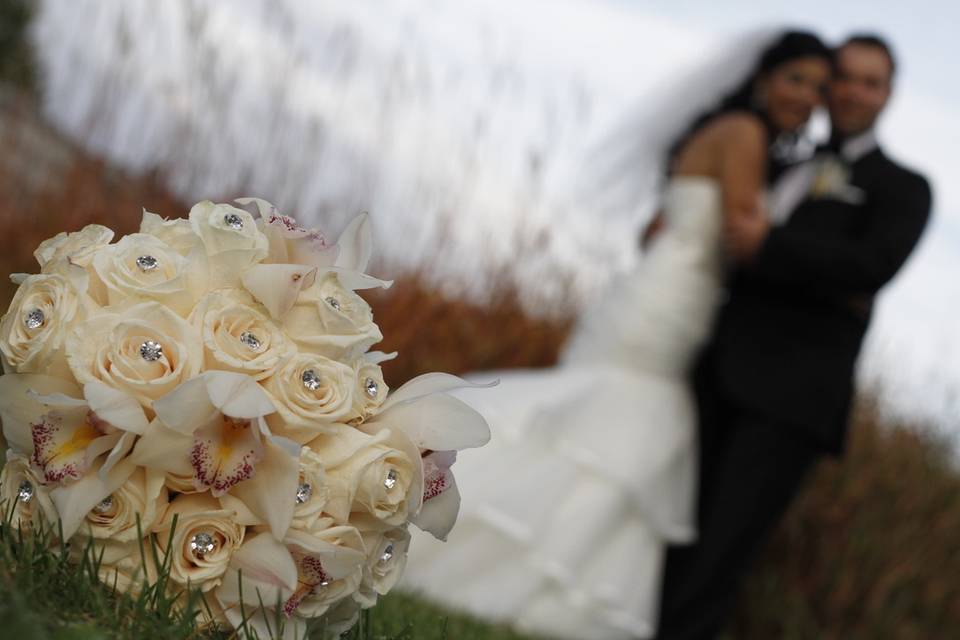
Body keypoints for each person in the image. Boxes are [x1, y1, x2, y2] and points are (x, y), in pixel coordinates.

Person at [400, 31, 833, 639]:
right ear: (765, 79)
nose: (807, 97)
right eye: (796, 80)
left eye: (817, 87)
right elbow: (743, 231)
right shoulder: (747, 135)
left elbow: (656, 229)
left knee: (597, 418)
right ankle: (462, 545)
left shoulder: (714, 131)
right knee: (621, 419)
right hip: (673, 302)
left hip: (652, 291)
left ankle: (457, 522)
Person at [655, 34, 932, 639]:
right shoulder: (776, 157)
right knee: (673, 529)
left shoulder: (904, 188)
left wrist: (771, 246)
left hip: (791, 396)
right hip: (710, 367)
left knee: (723, 551)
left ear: (887, 94)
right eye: (845, 77)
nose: (853, 90)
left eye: (870, 80)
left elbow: (867, 268)